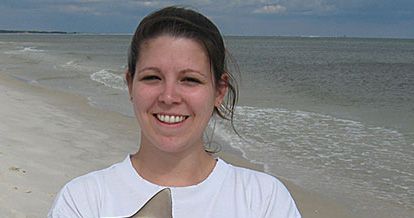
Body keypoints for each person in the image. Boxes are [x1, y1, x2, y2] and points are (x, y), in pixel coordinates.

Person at [48, 6, 301, 218]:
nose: (169, 97)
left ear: (219, 91)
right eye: (152, 77)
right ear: (130, 84)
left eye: (190, 80)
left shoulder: (264, 200)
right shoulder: (83, 201)